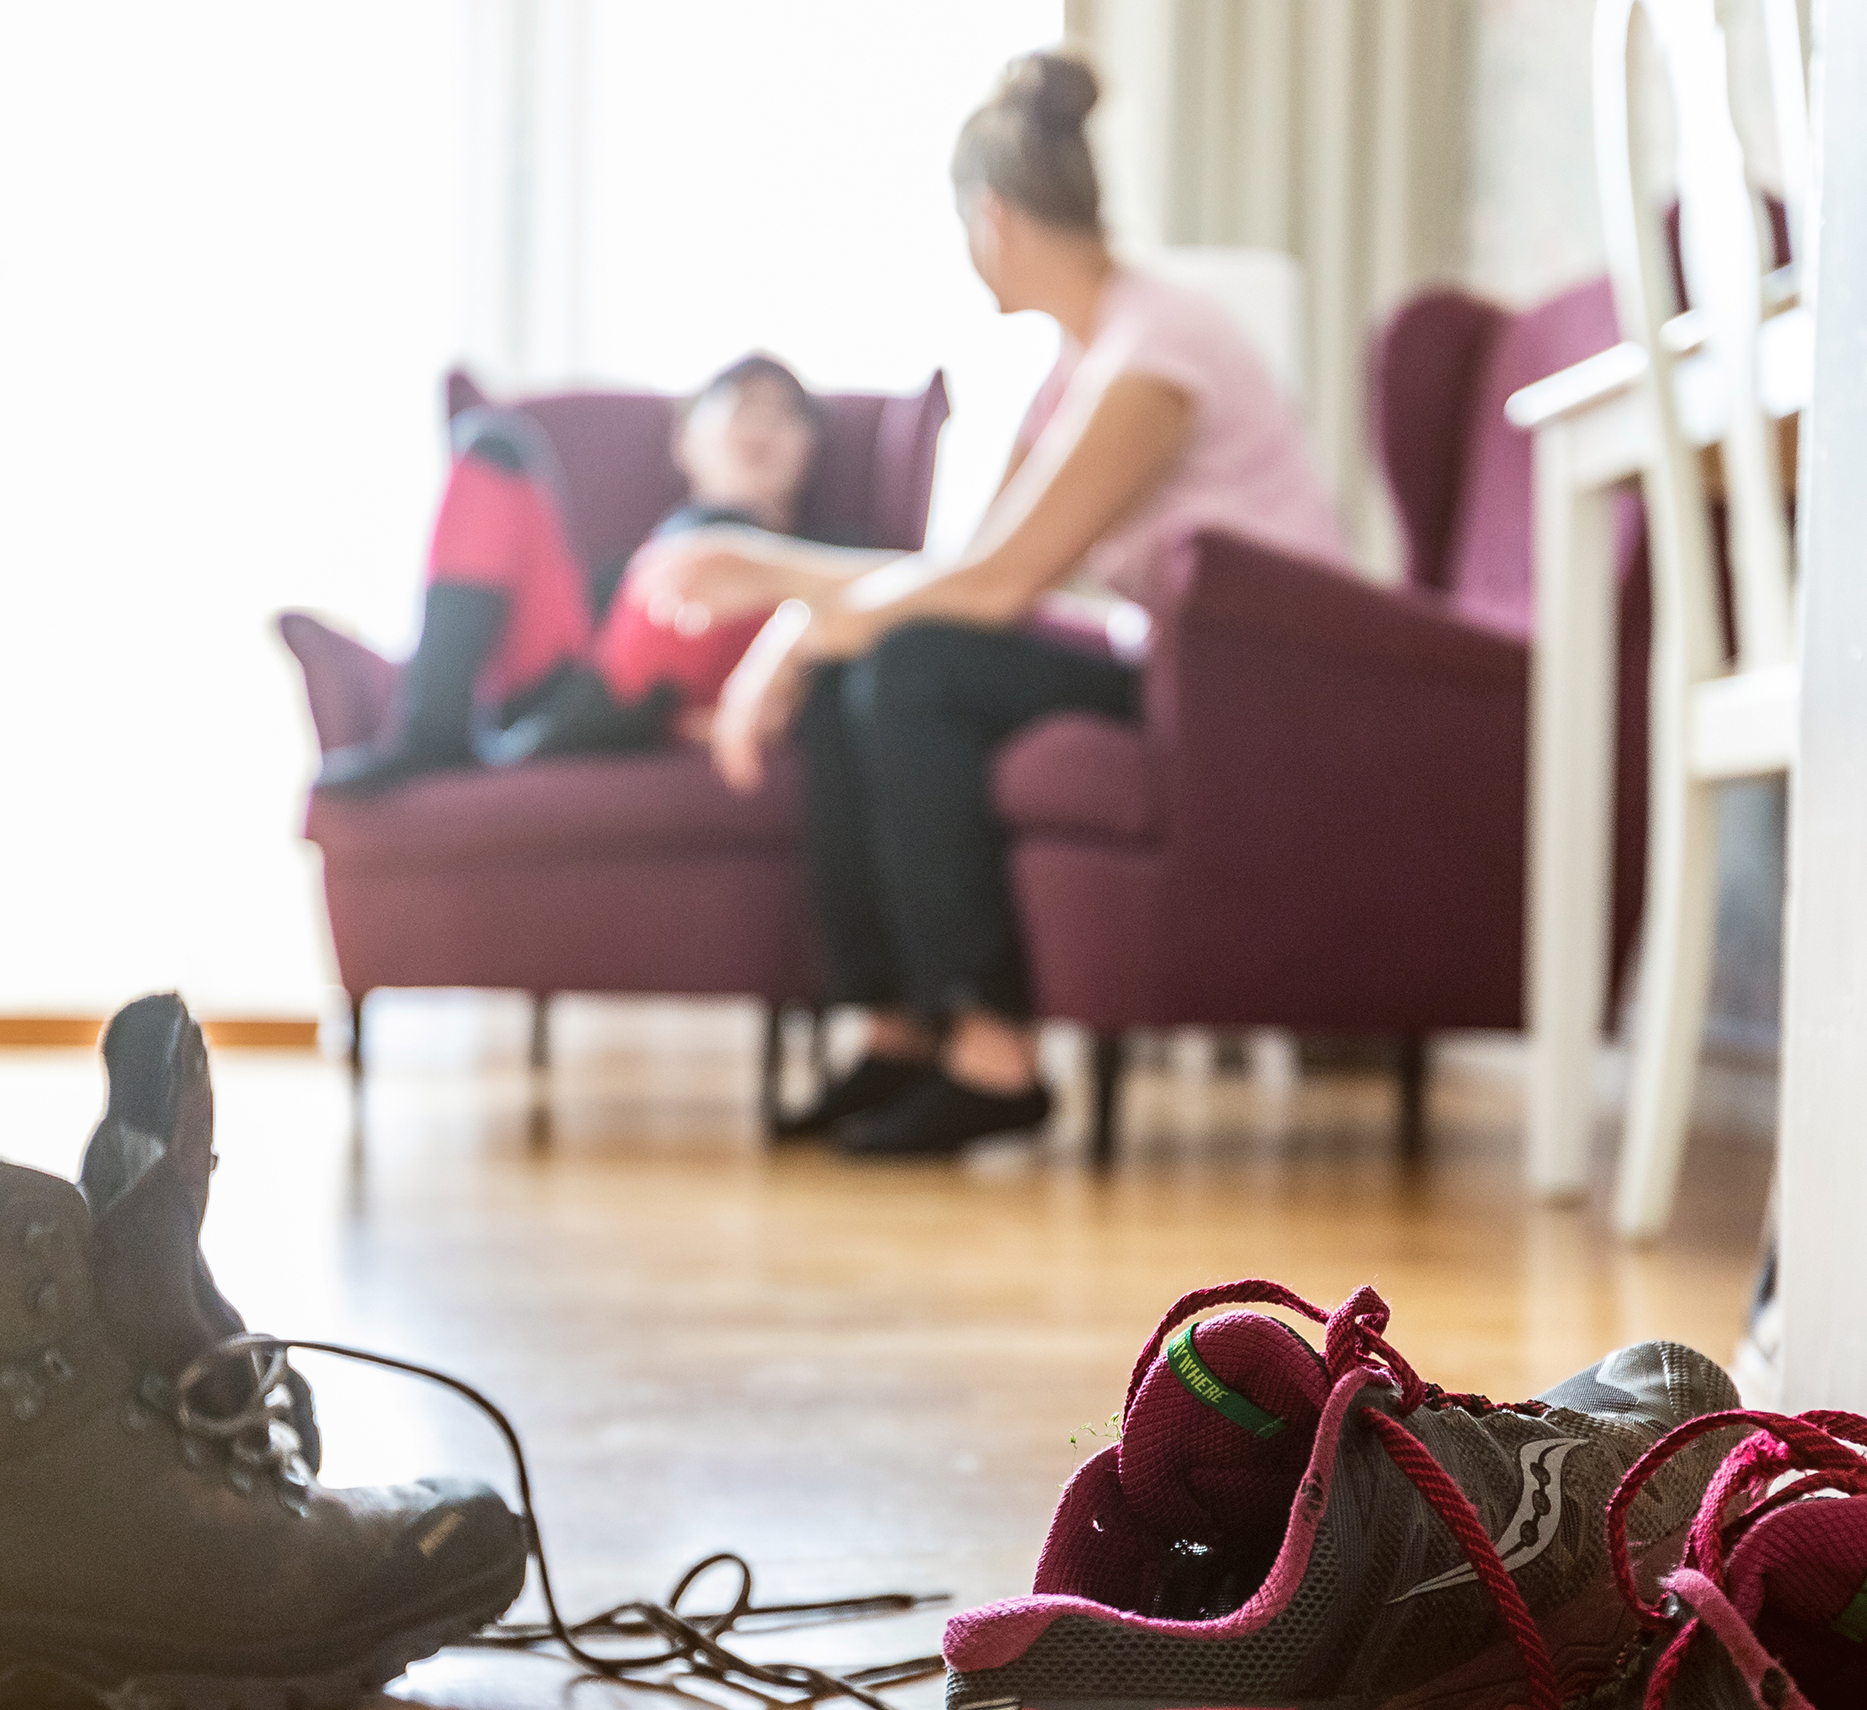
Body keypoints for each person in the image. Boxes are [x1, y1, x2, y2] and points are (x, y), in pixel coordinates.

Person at [628, 52, 1348, 1157]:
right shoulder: (1080, 364)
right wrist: (797, 623)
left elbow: (995, 586)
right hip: (1171, 665)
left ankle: (993, 1053)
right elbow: (955, 565)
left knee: (911, 666)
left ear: (991, 217)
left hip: (1257, 684)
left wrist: (772, 583)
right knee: (867, 665)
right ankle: (896, 1029)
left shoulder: (1155, 350)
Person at [320, 353, 829, 793]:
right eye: (741, 407)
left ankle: (536, 746)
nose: (762, 427)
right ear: (684, 441)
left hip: (658, 701)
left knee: (723, 540)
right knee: (491, 445)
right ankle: (432, 735)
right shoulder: (624, 575)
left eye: (786, 416)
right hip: (563, 686)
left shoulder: (841, 561)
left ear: (810, 450)